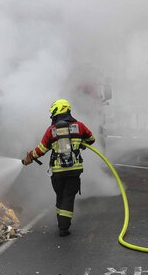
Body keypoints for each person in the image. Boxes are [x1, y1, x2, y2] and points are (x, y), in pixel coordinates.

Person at [22, 99, 97, 237]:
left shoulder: (52, 130)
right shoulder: (79, 126)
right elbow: (91, 139)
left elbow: (41, 149)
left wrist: (30, 156)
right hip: (74, 170)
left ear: (57, 112)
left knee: (60, 196)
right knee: (68, 197)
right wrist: (80, 142)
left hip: (58, 172)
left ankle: (61, 223)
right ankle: (64, 227)